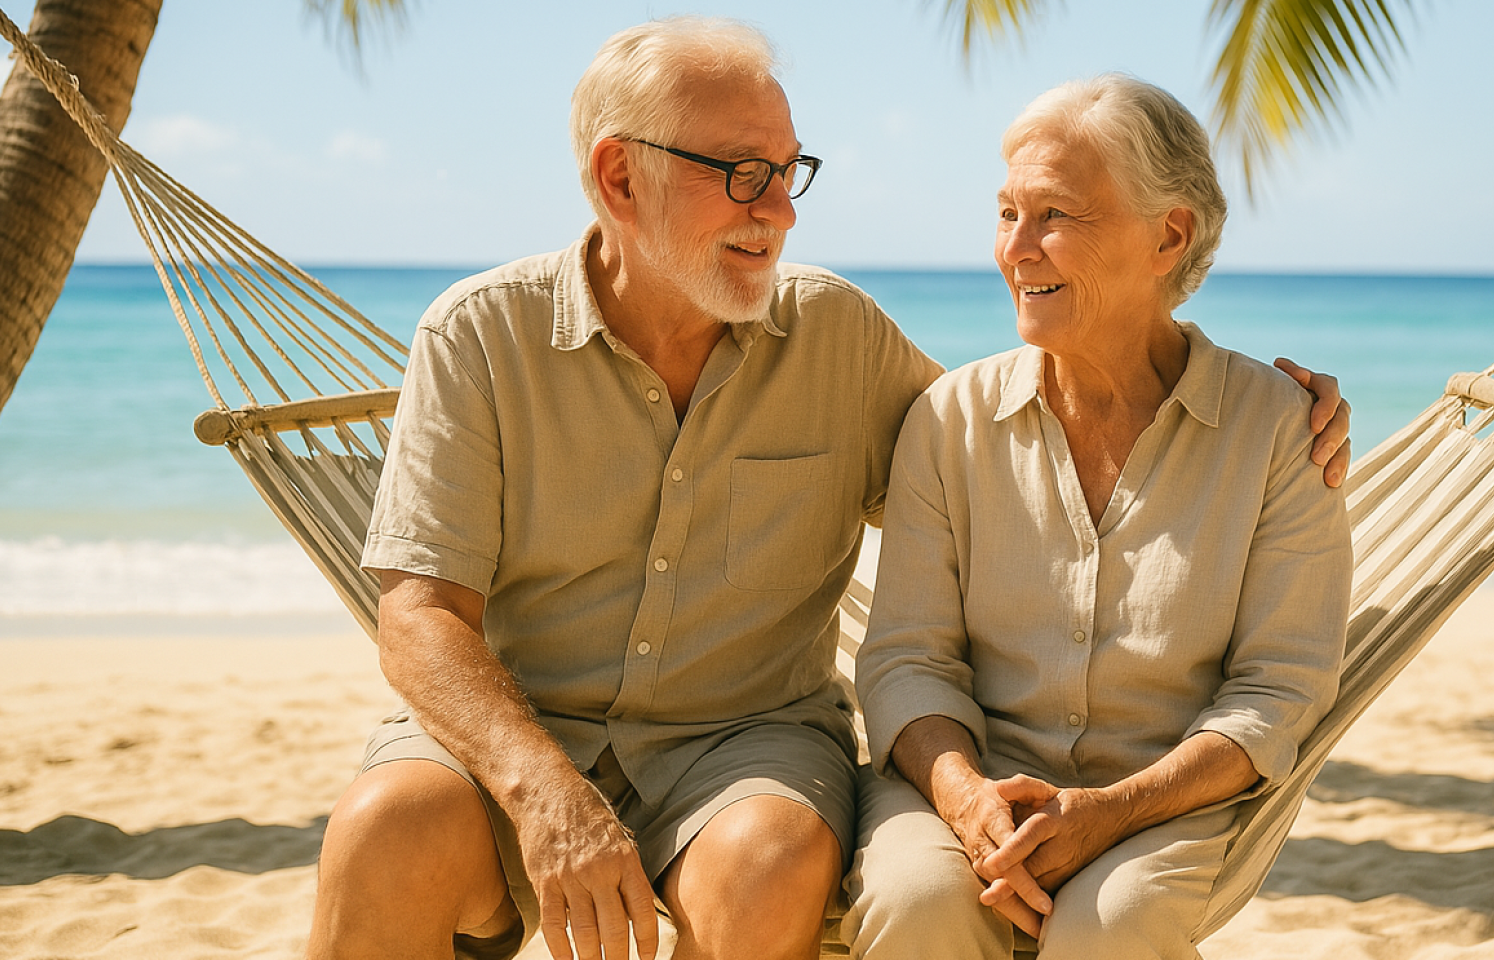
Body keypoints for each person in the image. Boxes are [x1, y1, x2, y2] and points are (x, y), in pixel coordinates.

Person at [305, 20, 1352, 960]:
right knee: (383, 832)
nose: (779, 211)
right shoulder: (479, 337)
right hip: (516, 738)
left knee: (768, 863)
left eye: (786, 171)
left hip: (742, 750)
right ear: (619, 178)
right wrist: (547, 795)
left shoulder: (841, 340)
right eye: (740, 173)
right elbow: (419, 616)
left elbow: (1020, 446)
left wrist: (1259, 420)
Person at [843, 74, 1355, 960]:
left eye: (1055, 215)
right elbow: (907, 659)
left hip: (1165, 800)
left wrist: (1113, 810)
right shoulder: (949, 420)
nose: (1016, 249)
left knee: (1106, 926)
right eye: (1007, 213)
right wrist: (967, 798)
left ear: (1170, 235)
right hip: (957, 780)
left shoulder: (1279, 429)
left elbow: (1279, 689)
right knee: (920, 899)